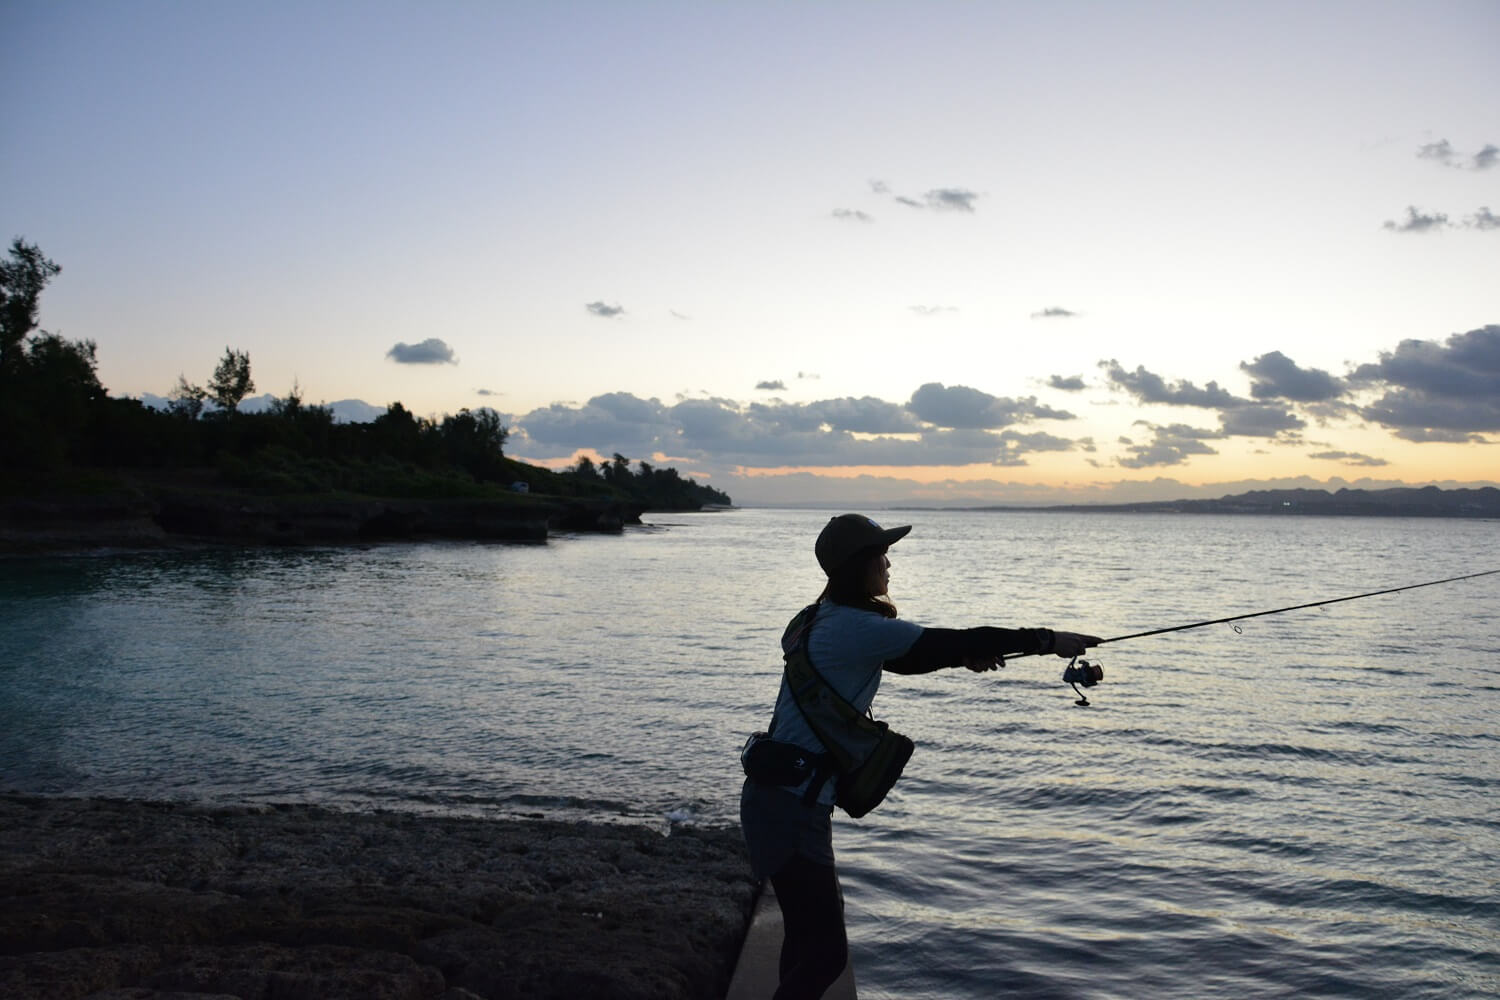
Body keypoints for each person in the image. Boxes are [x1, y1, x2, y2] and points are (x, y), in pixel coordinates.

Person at [739, 513, 1101, 1000]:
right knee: (825, 955)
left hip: (775, 797)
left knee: (806, 940)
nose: (889, 565)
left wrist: (960, 656)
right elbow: (951, 640)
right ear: (859, 566)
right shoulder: (855, 625)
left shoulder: (817, 620)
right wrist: (1046, 640)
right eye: (881, 556)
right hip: (792, 806)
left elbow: (911, 658)